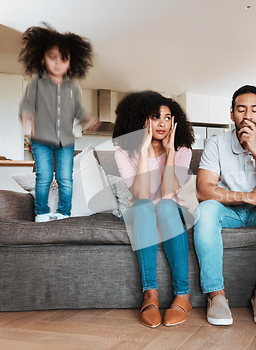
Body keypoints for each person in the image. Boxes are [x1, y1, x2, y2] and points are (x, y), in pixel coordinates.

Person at [194, 85, 256, 326]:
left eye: (255, 110)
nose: (248, 115)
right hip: (229, 210)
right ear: (232, 115)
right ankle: (216, 295)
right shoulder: (216, 144)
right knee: (204, 210)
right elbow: (203, 190)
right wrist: (247, 196)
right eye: (241, 109)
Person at [112, 91, 195, 328]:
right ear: (142, 119)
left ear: (174, 122)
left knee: (167, 204)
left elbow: (169, 191)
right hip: (142, 210)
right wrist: (145, 148)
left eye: (168, 117)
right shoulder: (124, 154)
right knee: (145, 205)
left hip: (172, 210)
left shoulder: (182, 151)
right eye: (155, 116)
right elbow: (142, 193)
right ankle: (150, 295)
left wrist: (169, 153)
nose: (162, 123)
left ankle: (183, 295)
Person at [18, 24, 99, 222]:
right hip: (41, 139)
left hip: (66, 142)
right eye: (51, 57)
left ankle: (64, 213)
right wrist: (27, 115)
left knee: (65, 179)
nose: (57, 63)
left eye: (63, 58)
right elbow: (26, 105)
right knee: (44, 177)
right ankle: (42, 213)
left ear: (70, 63)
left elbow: (79, 111)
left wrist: (88, 119)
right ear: (42, 59)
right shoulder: (36, 83)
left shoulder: (73, 89)